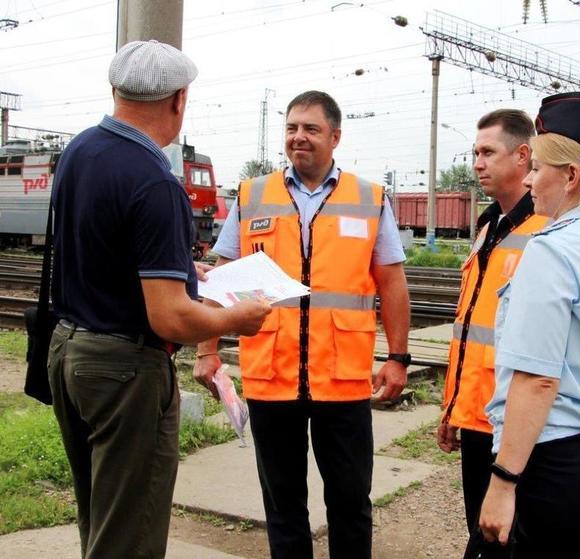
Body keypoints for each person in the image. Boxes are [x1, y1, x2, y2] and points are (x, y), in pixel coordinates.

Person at [47, 40, 270, 559]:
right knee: (132, 535)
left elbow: (96, 246)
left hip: (70, 355)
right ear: (178, 100)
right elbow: (170, 317)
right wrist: (240, 316)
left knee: (102, 519)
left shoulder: (80, 150)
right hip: (124, 372)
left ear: (115, 90)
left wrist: (177, 268)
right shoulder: (154, 182)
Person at [193, 90, 411, 559]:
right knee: (283, 504)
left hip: (344, 381)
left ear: (335, 136)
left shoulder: (369, 198)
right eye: (292, 128)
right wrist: (207, 350)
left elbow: (392, 284)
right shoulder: (252, 195)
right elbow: (220, 276)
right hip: (272, 377)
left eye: (311, 129)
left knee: (350, 502)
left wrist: (397, 358)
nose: (299, 137)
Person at [479, 91, 580, 558]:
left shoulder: (552, 251)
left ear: (570, 177)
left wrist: (503, 482)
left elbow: (537, 380)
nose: (529, 179)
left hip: (557, 467)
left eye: (538, 168)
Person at [436, 110, 549, 540]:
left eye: (487, 153)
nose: (477, 163)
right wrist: (453, 409)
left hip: (514, 424)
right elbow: (471, 330)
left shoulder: (546, 230)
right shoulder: (489, 226)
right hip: (477, 416)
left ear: (523, 156)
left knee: (510, 539)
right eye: (474, 153)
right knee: (482, 535)